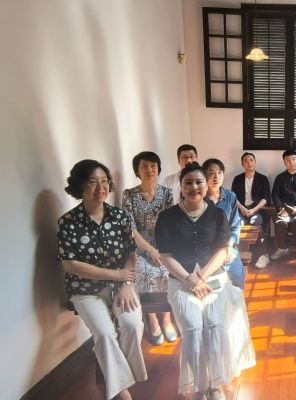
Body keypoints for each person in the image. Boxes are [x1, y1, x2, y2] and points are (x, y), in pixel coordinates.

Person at [155, 162, 255, 400]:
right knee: (193, 329)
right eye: (188, 183)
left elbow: (222, 250)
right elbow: (165, 255)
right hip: (181, 281)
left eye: (199, 182)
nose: (194, 187)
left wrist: (200, 277)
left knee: (214, 325)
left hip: (213, 278)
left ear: (206, 185)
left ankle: (215, 384)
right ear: (181, 186)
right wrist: (188, 279)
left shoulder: (217, 214)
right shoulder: (167, 217)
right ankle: (200, 386)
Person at [57, 160, 147, 400]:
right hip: (85, 290)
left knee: (132, 324)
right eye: (92, 182)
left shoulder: (121, 217)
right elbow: (70, 264)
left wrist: (126, 284)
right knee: (105, 334)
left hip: (121, 285)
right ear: (79, 186)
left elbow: (131, 253)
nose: (101, 188)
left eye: (104, 181)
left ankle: (120, 375)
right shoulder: (67, 222)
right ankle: (123, 391)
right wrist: (114, 275)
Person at [121, 151, 177, 346]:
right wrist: (150, 250)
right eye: (144, 166)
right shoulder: (128, 194)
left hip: (163, 242)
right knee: (143, 270)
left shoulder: (167, 193)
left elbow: (169, 223)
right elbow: (130, 228)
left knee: (167, 269)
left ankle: (166, 319)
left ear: (158, 169)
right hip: (138, 244)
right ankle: (152, 319)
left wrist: (161, 250)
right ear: (137, 171)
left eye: (153, 166)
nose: (149, 170)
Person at [202, 158, 246, 289]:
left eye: (220, 173)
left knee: (237, 278)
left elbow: (235, 226)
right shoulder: (199, 197)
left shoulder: (230, 196)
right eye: (211, 173)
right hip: (206, 248)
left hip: (227, 245)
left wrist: (228, 247)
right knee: (213, 285)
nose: (216, 177)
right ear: (204, 175)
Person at [231, 152, 271, 268]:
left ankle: (262, 255)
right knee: (238, 224)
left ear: (255, 162)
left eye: (251, 160)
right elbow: (234, 197)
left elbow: (266, 198)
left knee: (256, 222)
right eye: (246, 160)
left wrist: (253, 210)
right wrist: (242, 209)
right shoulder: (237, 179)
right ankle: (241, 254)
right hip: (241, 210)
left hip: (257, 210)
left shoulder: (263, 178)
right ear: (242, 164)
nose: (249, 163)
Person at [270, 149, 296, 261]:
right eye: (288, 160)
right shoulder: (280, 177)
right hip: (285, 209)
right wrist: (281, 208)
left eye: (293, 159)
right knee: (280, 223)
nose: (291, 162)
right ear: (284, 162)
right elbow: (275, 195)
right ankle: (282, 248)